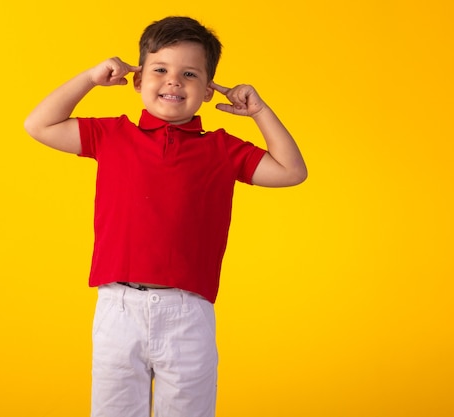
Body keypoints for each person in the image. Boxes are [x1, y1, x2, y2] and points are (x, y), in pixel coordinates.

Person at [24, 15, 307, 417]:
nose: (174, 81)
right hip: (118, 306)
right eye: (160, 70)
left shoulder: (222, 150)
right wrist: (90, 78)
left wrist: (260, 111)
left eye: (189, 74)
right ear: (138, 80)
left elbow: (292, 171)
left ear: (208, 91)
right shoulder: (112, 135)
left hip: (188, 312)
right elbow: (38, 124)